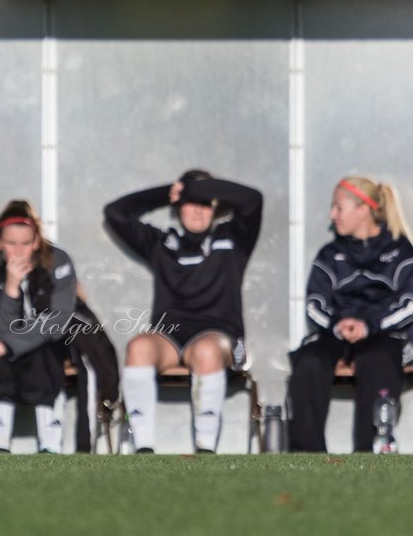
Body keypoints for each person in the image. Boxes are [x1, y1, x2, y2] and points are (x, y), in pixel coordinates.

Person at [104, 169, 263, 453]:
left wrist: (200, 189)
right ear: (177, 206)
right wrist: (169, 191)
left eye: (205, 202)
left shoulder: (234, 238)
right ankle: (143, 449)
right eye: (190, 202)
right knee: (138, 346)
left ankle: (205, 450)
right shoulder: (162, 243)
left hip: (220, 336)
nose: (199, 210)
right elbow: (115, 213)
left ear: (216, 205)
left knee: (206, 351)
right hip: (171, 336)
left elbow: (253, 199)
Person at [287, 177, 413, 452]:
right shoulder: (330, 254)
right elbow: (314, 303)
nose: (332, 216)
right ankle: (305, 455)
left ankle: (370, 451)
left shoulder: (402, 252)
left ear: (363, 209)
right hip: (338, 331)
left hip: (383, 334)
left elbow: (409, 303)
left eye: (337, 207)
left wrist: (369, 325)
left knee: (378, 359)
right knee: (309, 360)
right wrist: (338, 325)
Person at [0, 201, 77, 453]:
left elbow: (57, 321)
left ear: (37, 242)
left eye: (25, 243)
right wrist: (12, 288)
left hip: (46, 342)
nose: (18, 251)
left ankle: (50, 443)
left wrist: (2, 346)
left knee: (44, 353)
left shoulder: (58, 261)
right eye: (11, 243)